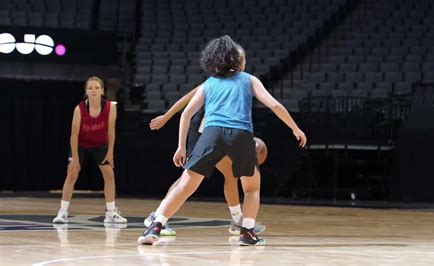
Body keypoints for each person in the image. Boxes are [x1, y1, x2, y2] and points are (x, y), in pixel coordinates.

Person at [138, 35, 306, 246]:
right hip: (240, 134)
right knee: (252, 188)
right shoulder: (249, 79)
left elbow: (186, 114)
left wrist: (181, 146)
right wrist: (294, 127)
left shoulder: (209, 83)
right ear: (238, 61)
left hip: (212, 134)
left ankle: (156, 226)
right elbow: (274, 105)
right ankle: (247, 232)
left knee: (186, 184)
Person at [145, 86, 267, 236]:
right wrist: (167, 116)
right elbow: (187, 99)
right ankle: (156, 217)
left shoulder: (239, 85)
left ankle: (237, 220)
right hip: (201, 132)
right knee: (188, 178)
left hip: (217, 133)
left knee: (230, 174)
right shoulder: (214, 82)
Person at [52, 76, 127, 224]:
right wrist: (75, 158)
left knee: (109, 174)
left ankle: (111, 213)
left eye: (97, 88)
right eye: (90, 88)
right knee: (72, 173)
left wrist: (110, 152)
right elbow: (74, 135)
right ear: (86, 91)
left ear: (102, 91)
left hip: (100, 145)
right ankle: (62, 212)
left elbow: (111, 131)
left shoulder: (110, 107)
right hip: (80, 145)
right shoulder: (79, 109)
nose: (93, 90)